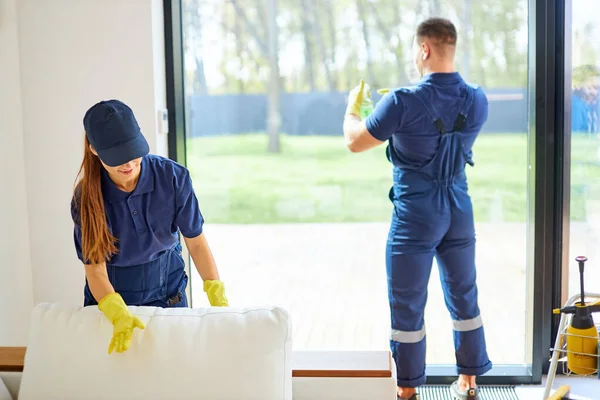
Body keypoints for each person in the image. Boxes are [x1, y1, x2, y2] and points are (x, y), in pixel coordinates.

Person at [343, 18, 491, 400]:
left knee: (408, 302)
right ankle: (469, 382)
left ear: (424, 49)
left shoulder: (401, 101)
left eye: (415, 48)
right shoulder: (477, 99)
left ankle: (407, 391)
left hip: (416, 217)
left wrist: (352, 111)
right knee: (465, 295)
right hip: (459, 209)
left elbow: (355, 142)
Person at [71, 99, 229, 355]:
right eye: (117, 157)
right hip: (111, 300)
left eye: (133, 152)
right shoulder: (86, 199)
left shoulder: (173, 178)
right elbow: (95, 271)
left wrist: (217, 297)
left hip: (169, 295)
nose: (129, 164)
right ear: (94, 150)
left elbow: (197, 244)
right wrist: (117, 313)